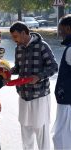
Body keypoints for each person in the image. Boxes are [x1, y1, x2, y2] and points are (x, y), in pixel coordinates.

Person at [10, 21, 58, 150]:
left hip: (39, 95)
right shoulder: (18, 48)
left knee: (40, 129)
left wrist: (38, 77)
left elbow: (54, 67)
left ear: (24, 33)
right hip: (23, 95)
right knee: (25, 129)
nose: (14, 40)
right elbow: (18, 67)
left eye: (15, 36)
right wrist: (8, 71)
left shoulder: (42, 46)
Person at [53, 15, 71, 150]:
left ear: (68, 28)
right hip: (66, 101)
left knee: (61, 137)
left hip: (67, 102)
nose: (59, 32)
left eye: (61, 29)